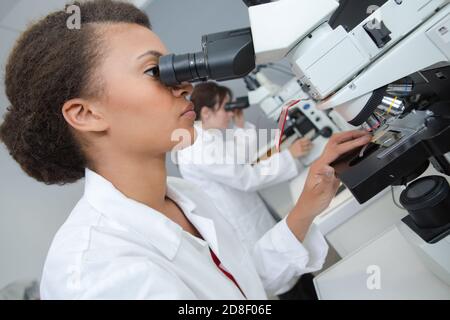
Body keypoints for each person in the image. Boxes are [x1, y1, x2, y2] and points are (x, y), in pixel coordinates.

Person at [0, 0, 371, 299]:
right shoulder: (96, 274)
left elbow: (245, 286)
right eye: (153, 71)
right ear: (85, 113)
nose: (184, 85)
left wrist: (309, 201)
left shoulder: (184, 197)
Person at [177, 82, 313, 253]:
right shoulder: (198, 147)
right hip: (242, 226)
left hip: (248, 212)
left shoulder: (208, 138)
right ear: (206, 112)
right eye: (226, 107)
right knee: (277, 265)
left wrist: (241, 126)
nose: (230, 113)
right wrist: (289, 157)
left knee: (283, 258)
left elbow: (237, 158)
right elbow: (246, 178)